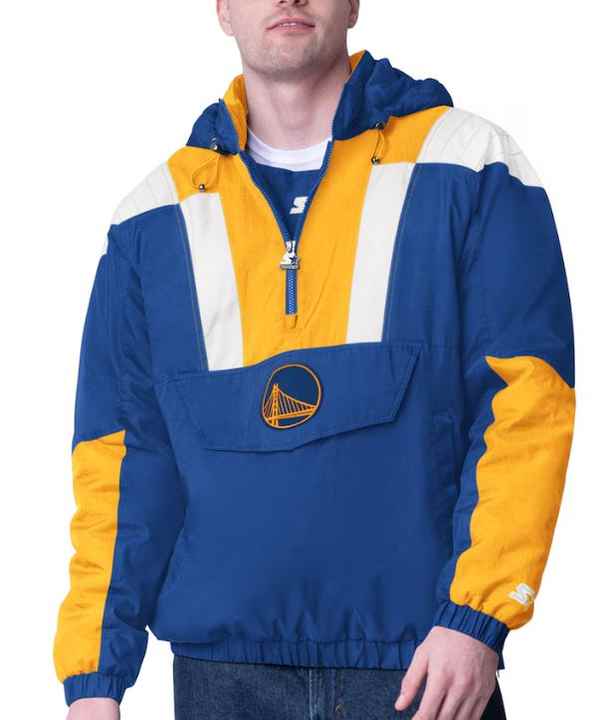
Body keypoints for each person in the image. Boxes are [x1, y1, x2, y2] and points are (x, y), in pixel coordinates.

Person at [52, 1, 576, 718]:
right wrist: (93, 680)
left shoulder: (465, 164)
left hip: (423, 665)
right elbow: (120, 461)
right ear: (223, 10)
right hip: (221, 680)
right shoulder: (152, 218)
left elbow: (526, 403)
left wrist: (477, 616)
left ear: (353, 3)